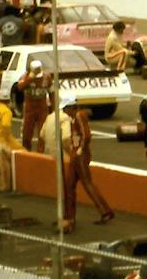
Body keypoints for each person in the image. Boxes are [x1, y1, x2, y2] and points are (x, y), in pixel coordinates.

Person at [58, 94, 114, 231]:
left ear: (71, 107)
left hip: (80, 156)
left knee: (86, 184)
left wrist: (80, 150)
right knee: (69, 185)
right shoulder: (74, 117)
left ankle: (105, 211)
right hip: (76, 154)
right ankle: (69, 216)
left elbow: (86, 134)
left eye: (65, 108)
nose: (64, 111)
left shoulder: (79, 115)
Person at [15, 59, 54, 151]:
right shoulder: (25, 77)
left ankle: (40, 153)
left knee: (42, 133)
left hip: (42, 108)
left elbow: (52, 93)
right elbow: (19, 87)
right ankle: (26, 152)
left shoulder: (47, 77)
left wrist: (53, 108)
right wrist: (29, 79)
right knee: (27, 133)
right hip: (29, 108)